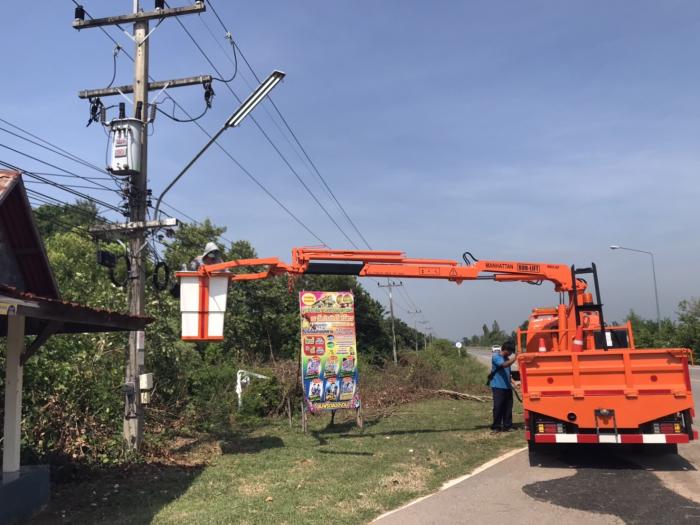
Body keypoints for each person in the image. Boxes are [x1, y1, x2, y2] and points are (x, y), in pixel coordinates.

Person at [490, 340, 517, 433]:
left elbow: (508, 374)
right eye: (510, 352)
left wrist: (514, 383)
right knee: (498, 407)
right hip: (498, 387)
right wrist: (515, 358)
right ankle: (496, 426)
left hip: (507, 387)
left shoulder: (507, 358)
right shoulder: (496, 357)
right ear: (506, 349)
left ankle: (507, 426)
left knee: (508, 407)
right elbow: (504, 365)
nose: (510, 354)